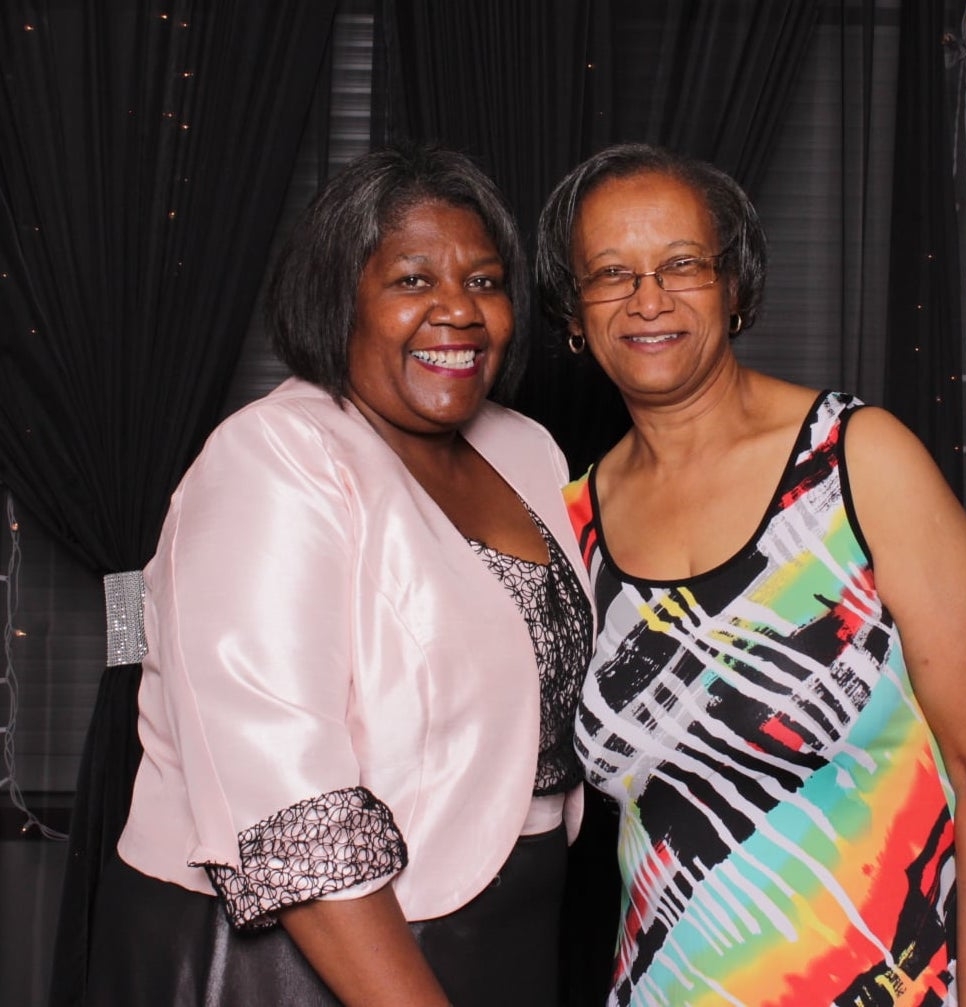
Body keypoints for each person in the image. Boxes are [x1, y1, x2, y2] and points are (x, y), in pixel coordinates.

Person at [84, 143, 594, 1007]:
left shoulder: (530, 449)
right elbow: (288, 807)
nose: (457, 312)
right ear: (338, 298)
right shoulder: (273, 457)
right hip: (313, 953)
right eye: (410, 281)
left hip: (509, 921)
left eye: (483, 281)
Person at [536, 143, 966, 1007]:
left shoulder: (855, 462)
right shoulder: (571, 520)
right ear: (575, 314)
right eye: (611, 273)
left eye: (681, 264)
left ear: (735, 286)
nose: (647, 298)